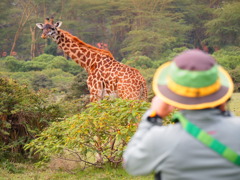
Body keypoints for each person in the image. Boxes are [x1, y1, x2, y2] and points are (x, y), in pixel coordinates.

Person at [123, 49, 240, 180]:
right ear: (222, 93)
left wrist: (153, 117)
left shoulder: (161, 139)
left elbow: (131, 164)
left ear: (172, 96)